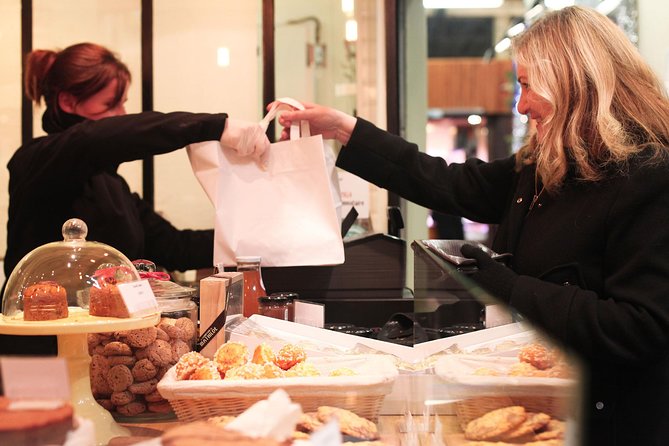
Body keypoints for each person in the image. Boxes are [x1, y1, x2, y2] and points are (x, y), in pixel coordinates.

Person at [274, 6, 669, 445]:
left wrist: (509, 285)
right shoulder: (546, 164)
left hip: (610, 422)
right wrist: (345, 129)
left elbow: (642, 328)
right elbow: (448, 182)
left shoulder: (649, 177)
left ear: (572, 83)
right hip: (547, 404)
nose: (521, 106)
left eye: (527, 86)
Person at [1, 42, 269, 355]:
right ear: (68, 102)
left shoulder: (112, 185)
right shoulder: (36, 162)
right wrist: (213, 127)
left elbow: (173, 245)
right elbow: (96, 138)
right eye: (112, 104)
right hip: (41, 356)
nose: (122, 116)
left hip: (107, 352)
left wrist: (255, 242)